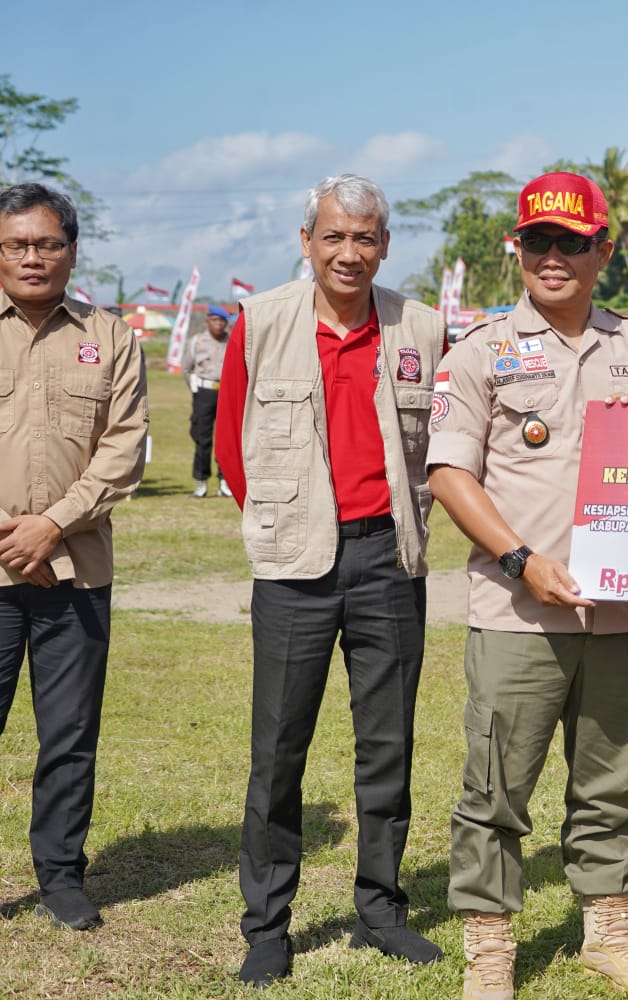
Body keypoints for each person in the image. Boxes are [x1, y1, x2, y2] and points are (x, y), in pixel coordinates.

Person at [429, 170, 628, 1000]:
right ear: (519, 249)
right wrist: (521, 560)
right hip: (517, 613)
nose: (553, 256)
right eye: (537, 240)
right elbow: (450, 475)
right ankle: (490, 949)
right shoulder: (481, 351)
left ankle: (610, 934)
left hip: (618, 613)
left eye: (572, 241)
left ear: (603, 249)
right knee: (497, 787)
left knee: (613, 781)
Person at [215, 174, 446, 987]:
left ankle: (381, 909)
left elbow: (447, 445)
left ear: (385, 245)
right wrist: (288, 522)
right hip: (296, 566)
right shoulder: (263, 321)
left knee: (388, 745)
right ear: (307, 242)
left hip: (390, 560)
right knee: (278, 749)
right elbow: (233, 449)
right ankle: (268, 923)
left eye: (366, 238)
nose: (350, 253)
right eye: (334, 237)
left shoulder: (420, 325)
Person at [0, 182, 148, 932]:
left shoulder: (111, 335)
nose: (33, 256)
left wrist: (51, 524)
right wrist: (10, 532)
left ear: (71, 251)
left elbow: (125, 448)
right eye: (18, 244)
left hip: (77, 575)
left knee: (68, 733)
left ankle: (61, 877)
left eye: (47, 243)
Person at [185, 304, 232, 496]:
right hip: (204, 393)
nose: (219, 324)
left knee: (227, 439)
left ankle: (225, 482)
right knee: (202, 438)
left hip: (226, 394)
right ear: (207, 322)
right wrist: (196, 389)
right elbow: (187, 368)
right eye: (215, 320)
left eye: (222, 321)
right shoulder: (197, 341)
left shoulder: (232, 341)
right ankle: (201, 482)